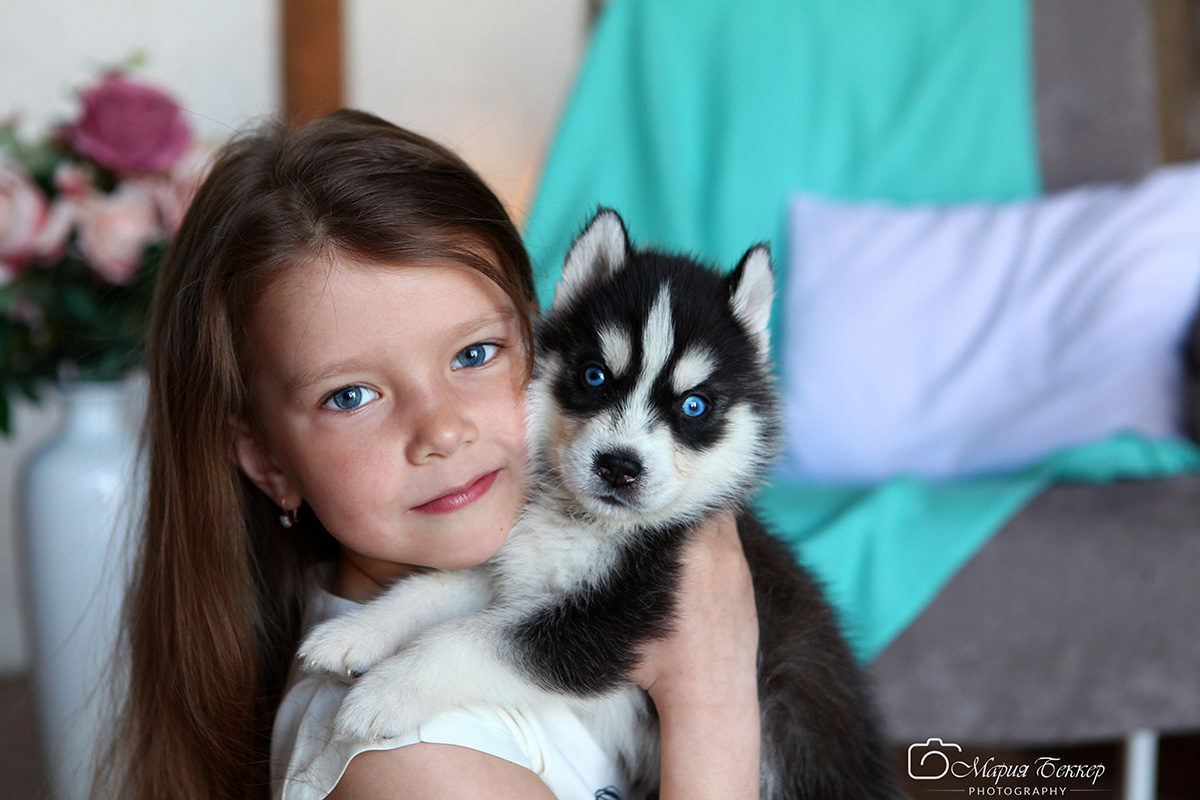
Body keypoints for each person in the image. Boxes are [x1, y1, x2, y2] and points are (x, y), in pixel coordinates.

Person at [96, 109, 760, 800]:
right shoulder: (418, 766)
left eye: (475, 354)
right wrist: (713, 692)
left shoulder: (486, 590)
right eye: (351, 395)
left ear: (537, 336)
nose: (441, 430)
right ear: (268, 462)